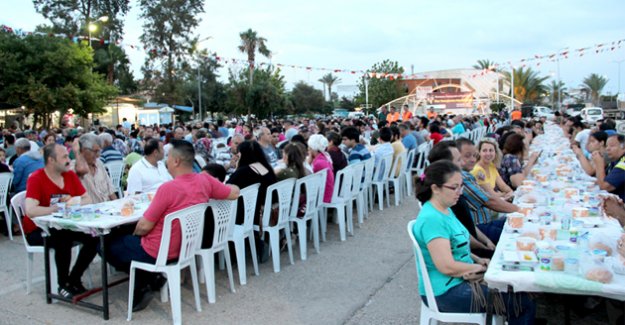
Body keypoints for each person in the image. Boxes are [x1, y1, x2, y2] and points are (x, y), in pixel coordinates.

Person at [104, 140, 239, 311]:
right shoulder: (205, 181)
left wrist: (136, 235)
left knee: (105, 243)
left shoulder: (167, 189)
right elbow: (234, 192)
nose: (165, 161)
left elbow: (144, 226)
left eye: (168, 157)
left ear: (176, 161)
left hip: (157, 251)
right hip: (186, 248)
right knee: (127, 239)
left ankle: (147, 277)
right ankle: (148, 277)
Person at [412, 160, 536, 324]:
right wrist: (481, 268)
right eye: (454, 187)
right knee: (522, 303)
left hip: (458, 280)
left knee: (521, 290)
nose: (459, 192)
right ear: (435, 188)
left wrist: (478, 260)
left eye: (461, 186)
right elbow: (446, 266)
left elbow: (456, 246)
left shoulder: (445, 208)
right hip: (445, 292)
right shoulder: (432, 219)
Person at [24, 144, 97, 298]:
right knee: (62, 237)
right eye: (64, 157)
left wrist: (73, 201)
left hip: (66, 225)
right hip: (39, 230)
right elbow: (30, 210)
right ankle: (62, 284)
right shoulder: (36, 178)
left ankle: (74, 278)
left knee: (95, 237)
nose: (68, 160)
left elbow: (88, 199)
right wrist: (57, 208)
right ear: (51, 160)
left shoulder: (69, 175)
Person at [427, 141, 496, 259]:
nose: (463, 163)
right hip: (467, 254)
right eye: (459, 160)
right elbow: (460, 239)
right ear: (445, 165)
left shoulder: (453, 193)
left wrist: (486, 241)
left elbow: (467, 225)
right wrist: (483, 248)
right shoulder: (444, 200)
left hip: (472, 249)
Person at [456, 137, 519, 244]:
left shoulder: (488, 167)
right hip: (479, 226)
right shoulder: (465, 176)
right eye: (467, 156)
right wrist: (521, 210)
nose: (472, 159)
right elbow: (490, 201)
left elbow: (504, 188)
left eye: (473, 155)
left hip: (487, 220)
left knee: (517, 224)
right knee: (517, 233)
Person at [226, 141, 277, 262]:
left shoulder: (243, 171)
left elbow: (228, 187)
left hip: (250, 214)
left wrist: (237, 167)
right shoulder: (264, 167)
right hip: (264, 209)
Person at [73, 134, 117, 204]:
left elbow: (111, 192)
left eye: (99, 151)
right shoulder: (73, 168)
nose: (98, 155)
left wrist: (118, 207)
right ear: (83, 150)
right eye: (95, 151)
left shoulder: (99, 164)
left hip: (107, 209)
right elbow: (80, 170)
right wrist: (77, 152)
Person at [594, 134, 625, 200]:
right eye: (607, 146)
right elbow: (603, 180)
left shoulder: (623, 163)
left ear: (623, 147)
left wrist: (599, 164)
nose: (607, 148)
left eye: (612, 145)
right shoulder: (615, 160)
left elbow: (605, 187)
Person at [308, 134, 334, 203]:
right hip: (328, 193)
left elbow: (308, 179)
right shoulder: (325, 157)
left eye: (309, 147)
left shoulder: (318, 163)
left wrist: (308, 163)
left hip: (323, 197)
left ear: (312, 148)